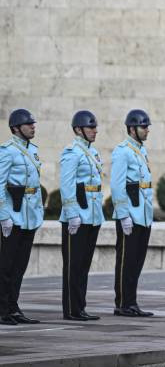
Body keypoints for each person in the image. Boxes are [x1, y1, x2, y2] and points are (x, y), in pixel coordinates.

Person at [59, 110, 105, 321]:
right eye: (91, 127)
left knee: (84, 265)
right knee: (73, 265)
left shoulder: (92, 152)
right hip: (77, 216)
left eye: (95, 127)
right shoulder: (72, 152)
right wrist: (72, 214)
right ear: (78, 130)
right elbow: (67, 185)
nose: (95, 131)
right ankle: (71, 309)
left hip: (92, 215)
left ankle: (80, 307)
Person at [0, 109, 44, 325]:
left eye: (33, 123)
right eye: (28, 124)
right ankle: (2, 309)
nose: (33, 126)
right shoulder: (7, 151)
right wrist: (3, 216)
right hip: (13, 215)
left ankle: (13, 306)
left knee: (19, 266)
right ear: (16, 128)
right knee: (6, 266)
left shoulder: (32, 150)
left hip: (29, 216)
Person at [111, 109, 155, 317]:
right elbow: (117, 185)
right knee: (126, 262)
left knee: (137, 261)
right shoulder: (123, 151)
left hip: (143, 214)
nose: (147, 130)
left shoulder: (140, 150)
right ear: (132, 129)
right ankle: (122, 303)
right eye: (143, 127)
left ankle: (132, 301)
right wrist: (123, 214)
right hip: (130, 214)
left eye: (147, 126)